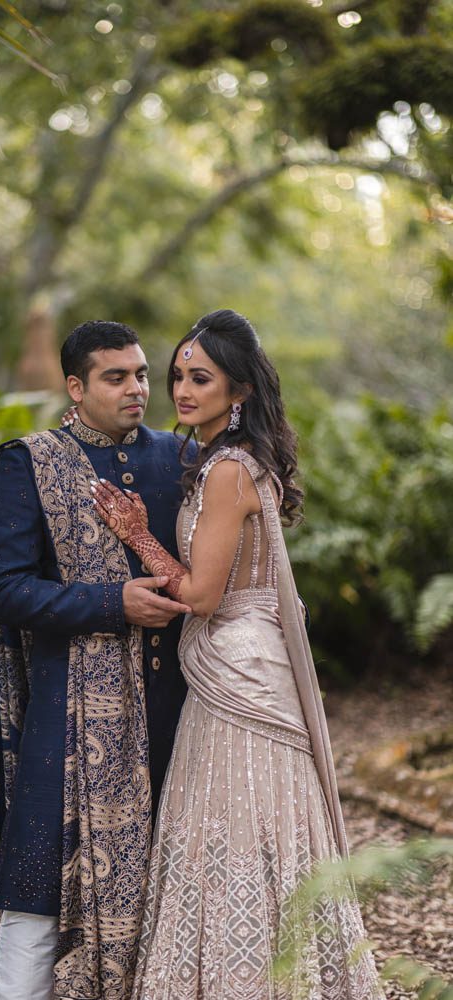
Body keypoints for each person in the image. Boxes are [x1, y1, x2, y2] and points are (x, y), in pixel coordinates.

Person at [91, 309, 384, 999]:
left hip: (236, 673)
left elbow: (199, 595)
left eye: (200, 379)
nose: (181, 392)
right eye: (177, 378)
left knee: (232, 823)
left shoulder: (225, 472)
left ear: (239, 391)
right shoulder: (234, 463)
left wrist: (136, 533)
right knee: (256, 826)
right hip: (244, 663)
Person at [0, 320, 195, 1000]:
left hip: (179, 708)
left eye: (139, 374)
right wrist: (111, 604)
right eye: (115, 376)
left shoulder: (181, 458)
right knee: (40, 877)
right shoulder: (28, 461)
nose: (136, 388)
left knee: (171, 884)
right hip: (69, 712)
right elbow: (4, 590)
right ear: (74, 386)